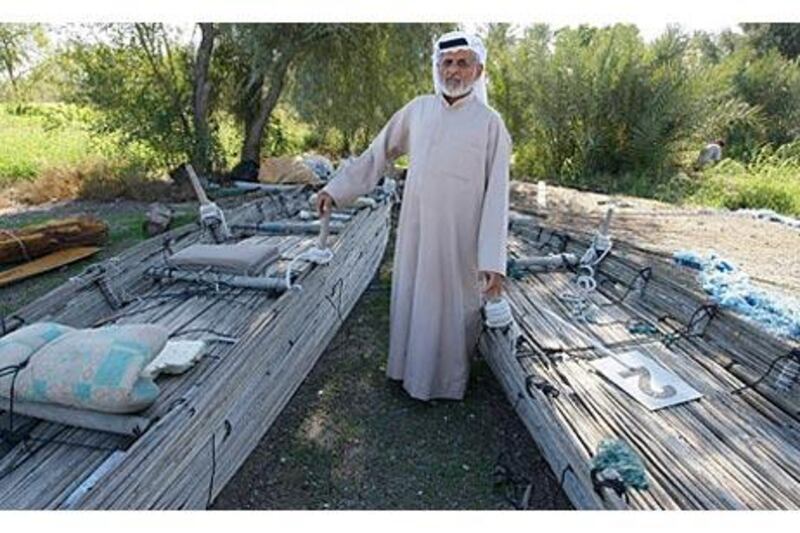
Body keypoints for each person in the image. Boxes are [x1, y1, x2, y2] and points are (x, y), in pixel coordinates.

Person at [316, 31, 512, 401]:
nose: (453, 70)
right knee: (414, 298)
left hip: (461, 236)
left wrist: (492, 261)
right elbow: (377, 155)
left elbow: (498, 196)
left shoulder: (491, 123)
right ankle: (407, 373)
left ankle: (446, 384)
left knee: (454, 309)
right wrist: (336, 190)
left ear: (479, 69)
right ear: (438, 67)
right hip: (417, 229)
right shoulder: (417, 110)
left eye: (462, 62)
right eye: (447, 62)